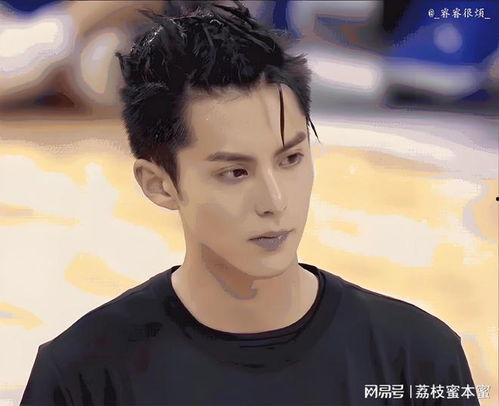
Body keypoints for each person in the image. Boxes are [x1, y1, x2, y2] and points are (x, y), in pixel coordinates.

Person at [21, 2, 480, 405]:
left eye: (291, 159)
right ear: (159, 185)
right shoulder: (84, 376)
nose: (275, 201)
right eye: (235, 173)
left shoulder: (417, 359)